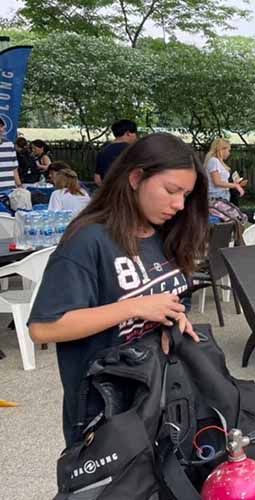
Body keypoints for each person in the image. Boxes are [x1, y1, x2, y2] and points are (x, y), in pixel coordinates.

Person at [28, 132, 209, 448]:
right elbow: (44, 328)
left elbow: (172, 298)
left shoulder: (166, 233)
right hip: (105, 417)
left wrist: (172, 320)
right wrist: (136, 306)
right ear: (136, 178)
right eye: (171, 191)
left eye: (186, 194)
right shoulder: (89, 241)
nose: (179, 204)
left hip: (160, 401)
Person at [95, 119, 138, 186]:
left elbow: (97, 179)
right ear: (128, 133)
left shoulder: (103, 151)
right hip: (127, 190)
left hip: (108, 190)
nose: (136, 137)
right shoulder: (132, 150)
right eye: (135, 133)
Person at [204, 138, 246, 202]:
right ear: (222, 149)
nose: (229, 153)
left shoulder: (218, 162)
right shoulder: (213, 161)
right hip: (216, 197)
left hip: (222, 195)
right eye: (228, 150)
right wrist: (236, 186)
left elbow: (223, 181)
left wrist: (236, 184)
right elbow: (217, 182)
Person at [0, 123, 22, 190]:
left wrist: (19, 186)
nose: (1, 129)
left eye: (1, 126)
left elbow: (14, 169)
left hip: (9, 190)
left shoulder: (10, 144)